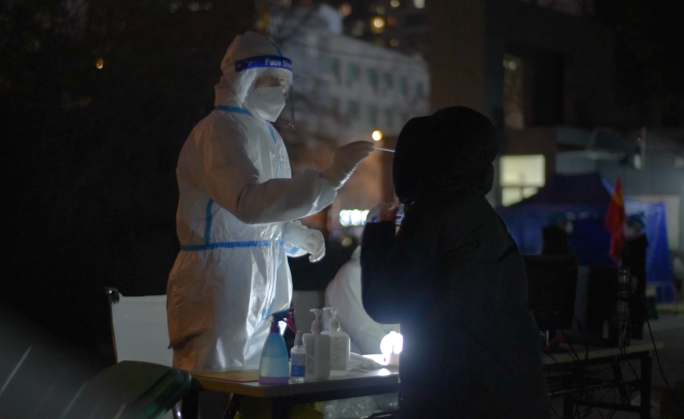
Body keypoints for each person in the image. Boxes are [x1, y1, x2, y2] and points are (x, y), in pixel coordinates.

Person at [166, 31, 373, 372]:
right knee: (218, 382)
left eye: (284, 83)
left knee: (261, 383)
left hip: (263, 282)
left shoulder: (267, 135)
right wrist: (329, 180)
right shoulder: (218, 131)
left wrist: (288, 235)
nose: (280, 90)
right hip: (219, 284)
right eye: (271, 79)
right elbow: (248, 202)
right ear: (243, 78)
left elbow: (267, 211)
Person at [361, 107, 550, 418]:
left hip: (454, 398)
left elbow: (384, 303)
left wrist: (378, 231)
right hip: (513, 395)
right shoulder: (485, 217)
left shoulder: (431, 214)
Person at [324, 243, 400, 355]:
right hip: (356, 369)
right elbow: (367, 338)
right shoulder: (352, 274)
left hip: (385, 367)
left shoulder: (392, 273)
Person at [622, 214, 648, 339]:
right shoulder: (629, 243)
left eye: (629, 226)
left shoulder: (638, 244)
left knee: (636, 307)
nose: (626, 228)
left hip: (635, 280)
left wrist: (634, 279)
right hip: (629, 278)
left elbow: (636, 265)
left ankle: (636, 334)